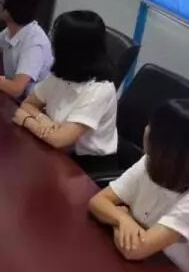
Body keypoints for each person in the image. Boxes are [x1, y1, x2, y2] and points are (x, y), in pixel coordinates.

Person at [88, 99, 189, 272]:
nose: (146, 130)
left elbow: (134, 250)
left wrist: (121, 214)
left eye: (153, 127)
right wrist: (123, 219)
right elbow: (98, 201)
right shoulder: (150, 162)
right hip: (148, 260)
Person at [12, 10, 117, 164]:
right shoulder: (63, 73)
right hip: (56, 151)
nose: (50, 38)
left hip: (86, 165)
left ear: (69, 48)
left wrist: (26, 120)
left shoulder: (100, 90)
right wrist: (42, 119)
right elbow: (28, 104)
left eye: (54, 35)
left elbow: (59, 140)